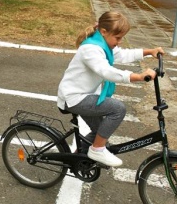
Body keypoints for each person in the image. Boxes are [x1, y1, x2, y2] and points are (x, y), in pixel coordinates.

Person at [57, 11, 164, 167]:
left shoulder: (103, 44)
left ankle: (78, 160)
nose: (119, 42)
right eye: (118, 38)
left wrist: (149, 52)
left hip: (86, 94)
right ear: (104, 32)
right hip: (74, 98)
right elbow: (106, 71)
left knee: (101, 131)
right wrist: (139, 76)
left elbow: (123, 55)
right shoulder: (91, 49)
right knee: (118, 109)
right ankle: (97, 149)